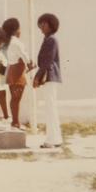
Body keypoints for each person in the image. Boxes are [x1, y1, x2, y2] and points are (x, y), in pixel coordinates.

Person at [33, 13, 63, 148]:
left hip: (50, 76)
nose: (41, 26)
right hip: (50, 77)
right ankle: (55, 139)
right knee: (51, 108)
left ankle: (52, 140)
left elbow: (47, 61)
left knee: (50, 109)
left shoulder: (51, 40)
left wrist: (37, 77)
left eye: (44, 24)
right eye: (41, 24)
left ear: (51, 25)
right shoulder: (48, 39)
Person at [2, 17, 34, 130]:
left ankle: (15, 121)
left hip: (12, 70)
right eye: (19, 28)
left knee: (14, 99)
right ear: (15, 30)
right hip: (17, 73)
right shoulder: (16, 42)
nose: (20, 31)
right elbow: (25, 57)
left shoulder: (7, 43)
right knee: (16, 99)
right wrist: (31, 64)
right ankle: (15, 122)